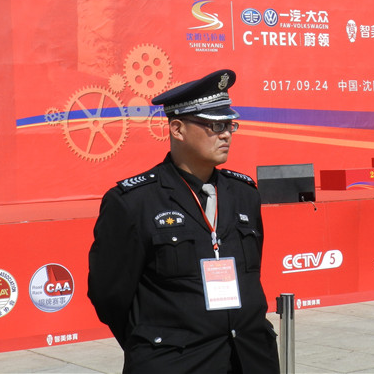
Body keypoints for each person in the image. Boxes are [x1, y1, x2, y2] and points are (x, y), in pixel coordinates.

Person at [88, 69, 280, 374]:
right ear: (177, 129)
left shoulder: (244, 194)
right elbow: (109, 295)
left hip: (249, 358)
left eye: (229, 124)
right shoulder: (134, 202)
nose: (226, 134)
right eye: (215, 125)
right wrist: (154, 346)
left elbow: (251, 275)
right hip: (177, 362)